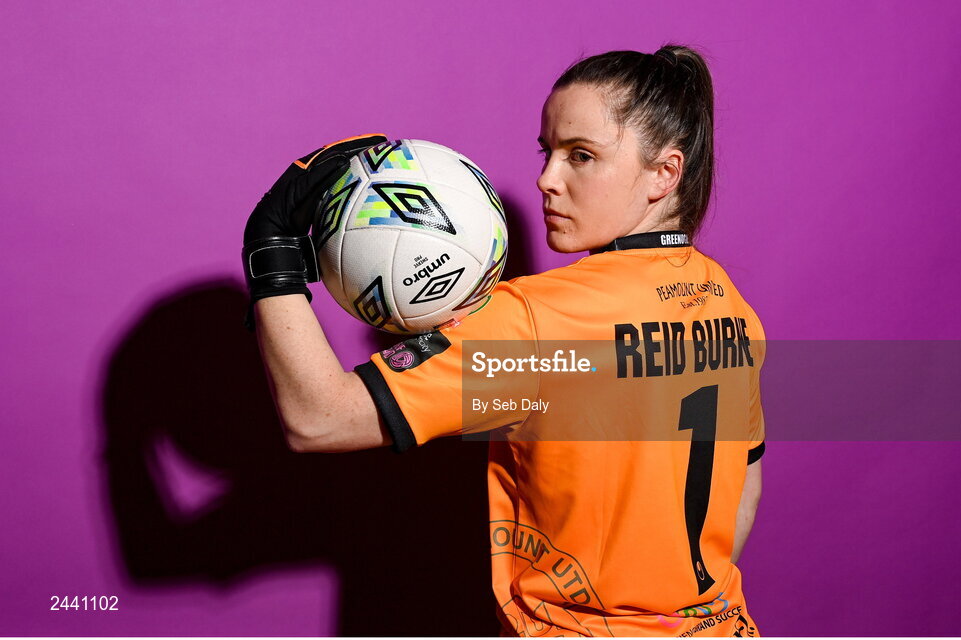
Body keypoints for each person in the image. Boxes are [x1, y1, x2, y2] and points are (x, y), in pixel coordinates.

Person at [242, 44, 765, 637]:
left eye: (581, 156)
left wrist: (272, 251)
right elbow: (742, 489)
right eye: (548, 152)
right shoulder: (732, 308)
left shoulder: (536, 321)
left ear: (664, 173)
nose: (547, 179)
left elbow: (319, 419)